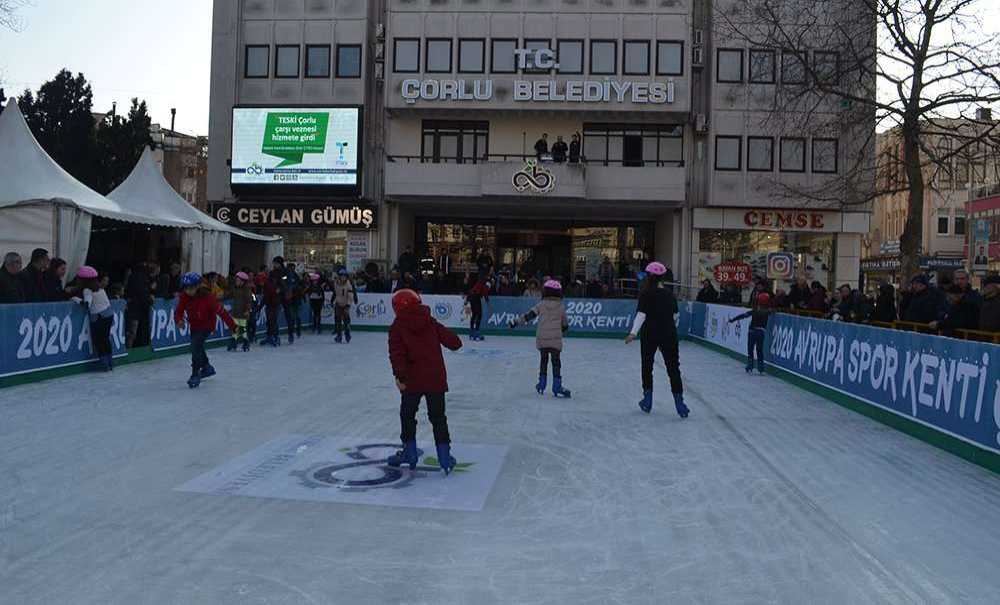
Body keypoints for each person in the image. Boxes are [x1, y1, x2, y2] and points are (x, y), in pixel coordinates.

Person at [386, 289, 463, 475]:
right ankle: (444, 457)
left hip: (412, 381)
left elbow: (397, 355)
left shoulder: (397, 327)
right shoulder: (430, 322)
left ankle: (409, 452)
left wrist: (400, 377)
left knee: (407, 415)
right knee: (438, 418)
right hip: (435, 379)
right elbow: (455, 342)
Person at [625, 261, 689, 418]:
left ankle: (647, 401)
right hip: (668, 334)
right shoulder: (669, 294)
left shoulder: (645, 293)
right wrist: (666, 331)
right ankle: (679, 404)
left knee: (647, 366)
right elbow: (675, 316)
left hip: (650, 334)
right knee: (673, 368)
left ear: (649, 276)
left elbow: (641, 315)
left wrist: (633, 333)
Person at [510, 279, 572, 397]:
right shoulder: (560, 306)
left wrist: (515, 322)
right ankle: (557, 386)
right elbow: (565, 325)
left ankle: (542, 384)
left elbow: (529, 316)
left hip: (542, 338)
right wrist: (561, 330)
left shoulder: (541, 305)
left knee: (543, 360)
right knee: (556, 362)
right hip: (555, 339)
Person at [174, 272, 236, 389]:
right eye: (186, 288)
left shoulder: (208, 297)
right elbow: (178, 311)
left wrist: (234, 327)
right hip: (194, 325)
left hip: (207, 325)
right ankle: (207, 367)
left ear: (198, 286)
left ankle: (195, 373)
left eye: (191, 288)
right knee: (197, 346)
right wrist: (179, 321)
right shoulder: (185, 297)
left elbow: (222, 312)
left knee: (195, 346)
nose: (188, 291)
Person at [76, 266, 115, 372]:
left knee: (99, 341)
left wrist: (76, 299)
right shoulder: (100, 288)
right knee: (106, 339)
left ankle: (105, 365)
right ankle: (110, 363)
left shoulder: (87, 290)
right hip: (108, 315)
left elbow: (87, 304)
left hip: (99, 318)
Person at [729, 293, 774, 375]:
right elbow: (772, 311)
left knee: (750, 349)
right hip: (761, 332)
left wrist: (733, 320)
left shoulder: (755, 311)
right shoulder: (768, 311)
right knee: (759, 350)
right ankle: (761, 368)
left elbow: (743, 315)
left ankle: (750, 365)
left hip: (752, 332)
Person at [125, 261, 156, 348]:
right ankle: (132, 348)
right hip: (138, 309)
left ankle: (130, 348)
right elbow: (142, 293)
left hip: (135, 308)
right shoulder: (143, 279)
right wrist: (149, 299)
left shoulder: (134, 277)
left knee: (133, 331)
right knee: (134, 331)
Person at [227, 272, 253, 352]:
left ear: (243, 282)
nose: (237, 282)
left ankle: (244, 342)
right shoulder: (235, 288)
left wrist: (247, 310)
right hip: (235, 312)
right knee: (235, 327)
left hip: (243, 313)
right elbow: (229, 295)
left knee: (242, 328)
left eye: (238, 281)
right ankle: (235, 342)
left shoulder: (247, 290)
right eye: (236, 280)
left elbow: (249, 301)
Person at [332, 268, 358, 343]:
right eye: (341, 276)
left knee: (346, 321)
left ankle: (347, 334)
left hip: (346, 304)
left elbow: (351, 296)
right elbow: (335, 292)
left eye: (344, 276)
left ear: (346, 277)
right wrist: (332, 300)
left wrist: (348, 305)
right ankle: (339, 335)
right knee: (338, 320)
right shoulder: (336, 283)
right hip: (338, 303)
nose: (343, 277)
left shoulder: (348, 285)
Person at [464, 273, 491, 341]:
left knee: (474, 314)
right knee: (479, 314)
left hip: (472, 297)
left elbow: (472, 290)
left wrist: (467, 299)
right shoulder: (486, 283)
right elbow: (485, 292)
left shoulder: (479, 282)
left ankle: (472, 332)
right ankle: (476, 332)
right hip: (476, 298)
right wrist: (488, 303)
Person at [261, 268, 282, 347]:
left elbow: (282, 292)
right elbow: (266, 295)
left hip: (275, 304)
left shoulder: (279, 284)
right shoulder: (268, 284)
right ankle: (270, 336)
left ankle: (275, 336)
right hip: (270, 304)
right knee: (270, 321)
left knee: (273, 321)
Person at [285, 262, 304, 341]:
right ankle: (292, 332)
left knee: (294, 316)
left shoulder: (295, 276)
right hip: (290, 299)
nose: (290, 269)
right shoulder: (286, 276)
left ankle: (294, 331)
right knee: (292, 317)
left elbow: (299, 286)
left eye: (292, 268)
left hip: (295, 299)